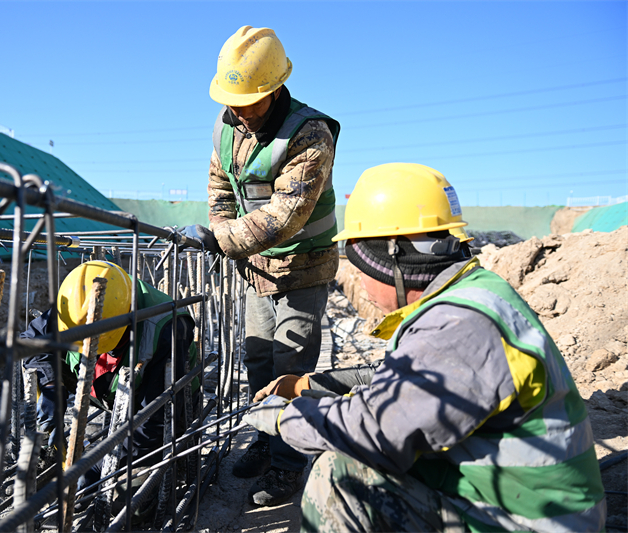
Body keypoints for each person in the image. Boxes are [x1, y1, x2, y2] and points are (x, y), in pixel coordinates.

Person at [244, 163, 606, 532]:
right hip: (515, 498)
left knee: (340, 476)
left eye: (363, 267)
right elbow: (402, 379)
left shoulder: (460, 327)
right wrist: (309, 386)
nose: (363, 284)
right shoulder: (471, 295)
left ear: (394, 259)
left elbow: (375, 431)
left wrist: (283, 418)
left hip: (527, 522)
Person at [181, 25, 341, 507]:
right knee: (257, 361)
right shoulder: (226, 127)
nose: (240, 110)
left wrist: (220, 240)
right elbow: (220, 192)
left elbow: (285, 215)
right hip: (257, 270)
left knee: (290, 364)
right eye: (233, 100)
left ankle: (291, 463)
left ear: (274, 89)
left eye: (250, 100)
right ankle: (266, 439)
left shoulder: (310, 133)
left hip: (304, 268)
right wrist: (223, 231)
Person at [21, 260, 197, 494]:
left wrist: (98, 467)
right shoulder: (76, 303)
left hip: (157, 404)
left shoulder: (167, 326)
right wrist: (52, 390)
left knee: (127, 499)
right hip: (107, 387)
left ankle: (164, 472)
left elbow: (153, 421)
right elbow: (31, 344)